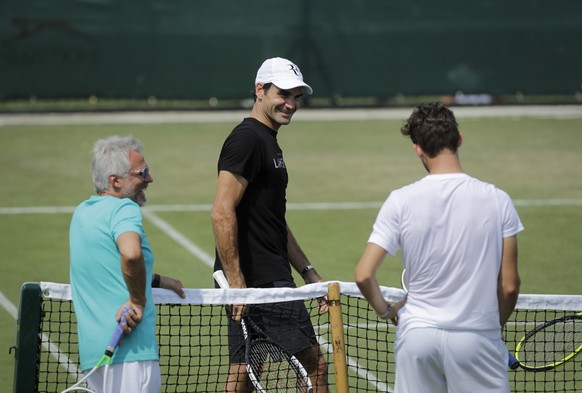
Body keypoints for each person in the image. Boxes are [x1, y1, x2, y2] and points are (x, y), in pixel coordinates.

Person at [355, 103, 523, 393]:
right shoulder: (498, 200)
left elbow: (363, 275)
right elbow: (509, 286)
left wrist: (387, 311)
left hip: (417, 338)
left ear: (417, 148)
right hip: (477, 338)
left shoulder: (400, 200)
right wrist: (493, 328)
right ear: (458, 138)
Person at [211, 57, 329, 392]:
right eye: (283, 94)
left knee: (245, 370)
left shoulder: (266, 138)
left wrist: (308, 271)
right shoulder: (247, 139)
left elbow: (272, 220)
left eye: (297, 97)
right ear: (260, 90)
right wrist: (237, 283)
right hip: (259, 280)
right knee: (314, 367)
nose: (291, 104)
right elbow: (221, 210)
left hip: (261, 276)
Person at [70, 135, 185, 392]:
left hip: (94, 355)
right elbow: (131, 255)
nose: (149, 179)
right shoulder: (124, 209)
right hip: (132, 353)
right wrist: (137, 300)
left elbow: (104, 267)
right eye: (142, 172)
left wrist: (157, 280)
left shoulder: (81, 214)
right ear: (116, 180)